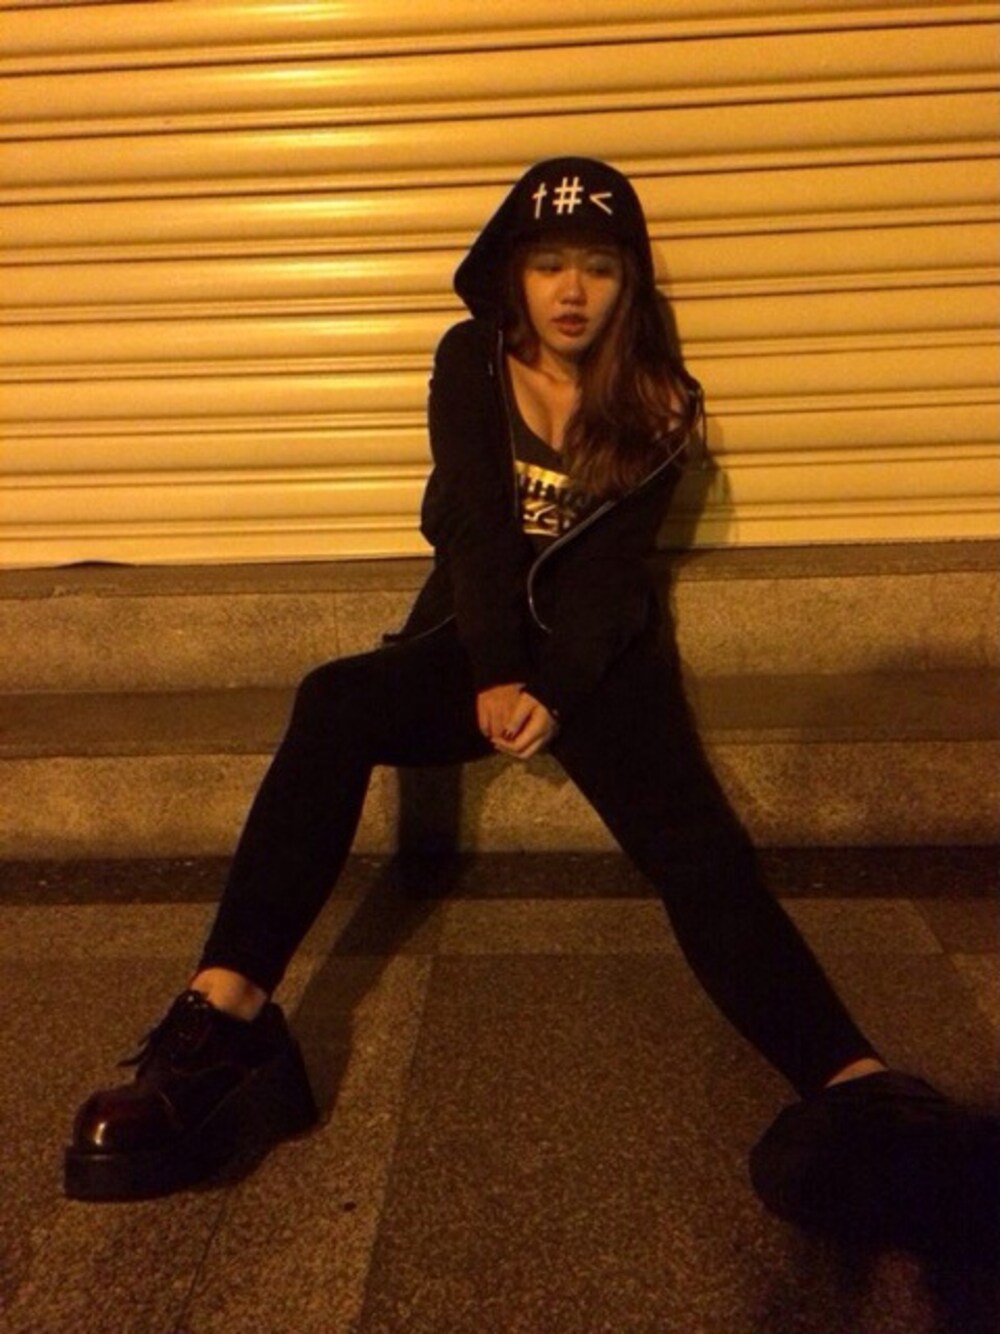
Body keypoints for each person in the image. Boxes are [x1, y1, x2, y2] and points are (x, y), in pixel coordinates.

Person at [64, 158, 996, 1253]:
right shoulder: (470, 359)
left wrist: (555, 689)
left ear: (628, 282)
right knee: (332, 702)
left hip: (598, 655)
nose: (571, 290)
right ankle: (225, 1020)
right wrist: (496, 672)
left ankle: (859, 1086)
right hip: (474, 634)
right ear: (513, 271)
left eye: (599, 267)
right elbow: (473, 524)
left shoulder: (661, 400)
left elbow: (608, 580)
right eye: (549, 263)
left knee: (695, 843)